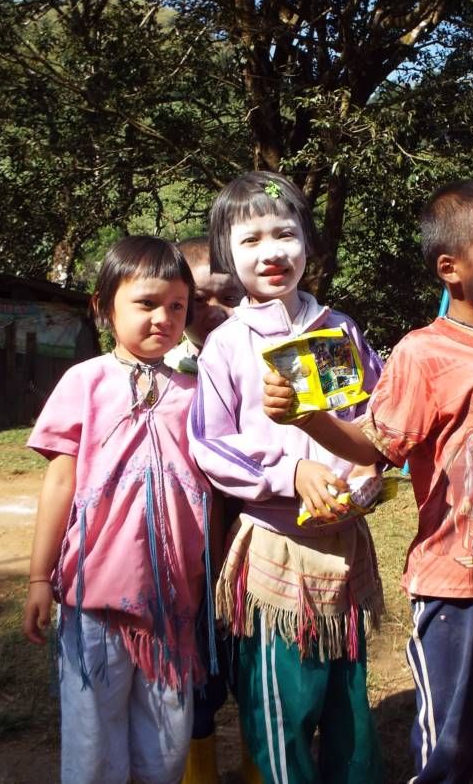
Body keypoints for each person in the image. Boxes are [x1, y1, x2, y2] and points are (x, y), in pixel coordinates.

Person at [263, 178, 473, 783]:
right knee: (448, 742)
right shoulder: (422, 353)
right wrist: (307, 416)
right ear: (450, 268)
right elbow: (375, 446)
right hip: (455, 578)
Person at [188, 171, 386, 784]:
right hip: (275, 553)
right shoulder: (225, 345)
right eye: (250, 240)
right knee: (281, 710)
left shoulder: (339, 329)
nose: (270, 252)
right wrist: (289, 472)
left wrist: (363, 480)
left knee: (349, 703)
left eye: (284, 234)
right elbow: (211, 445)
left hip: (343, 545)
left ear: (308, 242)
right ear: (227, 256)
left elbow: (375, 420)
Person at [21, 235, 215, 784]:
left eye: (177, 306)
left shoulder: (197, 392)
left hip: (173, 605)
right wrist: (38, 578)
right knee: (93, 742)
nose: (164, 318)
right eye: (146, 303)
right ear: (104, 306)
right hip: (95, 602)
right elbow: (60, 482)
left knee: (166, 746)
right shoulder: (84, 382)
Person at [163, 235, 253, 784]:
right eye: (197, 300)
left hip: (259, 547)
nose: (213, 309)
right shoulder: (171, 378)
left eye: (228, 296)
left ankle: (259, 768)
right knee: (195, 673)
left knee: (255, 672)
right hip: (193, 558)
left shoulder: (269, 366)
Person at [166, 236, 245, 375]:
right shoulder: (168, 372)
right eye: (199, 299)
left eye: (229, 298)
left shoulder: (263, 360)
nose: (216, 314)